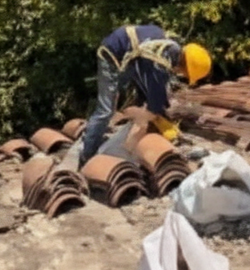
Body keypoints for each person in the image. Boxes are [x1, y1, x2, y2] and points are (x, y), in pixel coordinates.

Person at [78, 25, 211, 166]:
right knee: (106, 110)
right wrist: (149, 116)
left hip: (131, 53)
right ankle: (87, 156)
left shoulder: (171, 49)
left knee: (139, 99)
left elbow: (150, 84)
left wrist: (152, 108)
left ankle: (102, 134)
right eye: (185, 74)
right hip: (112, 53)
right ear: (185, 67)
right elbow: (155, 103)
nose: (181, 75)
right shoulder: (160, 62)